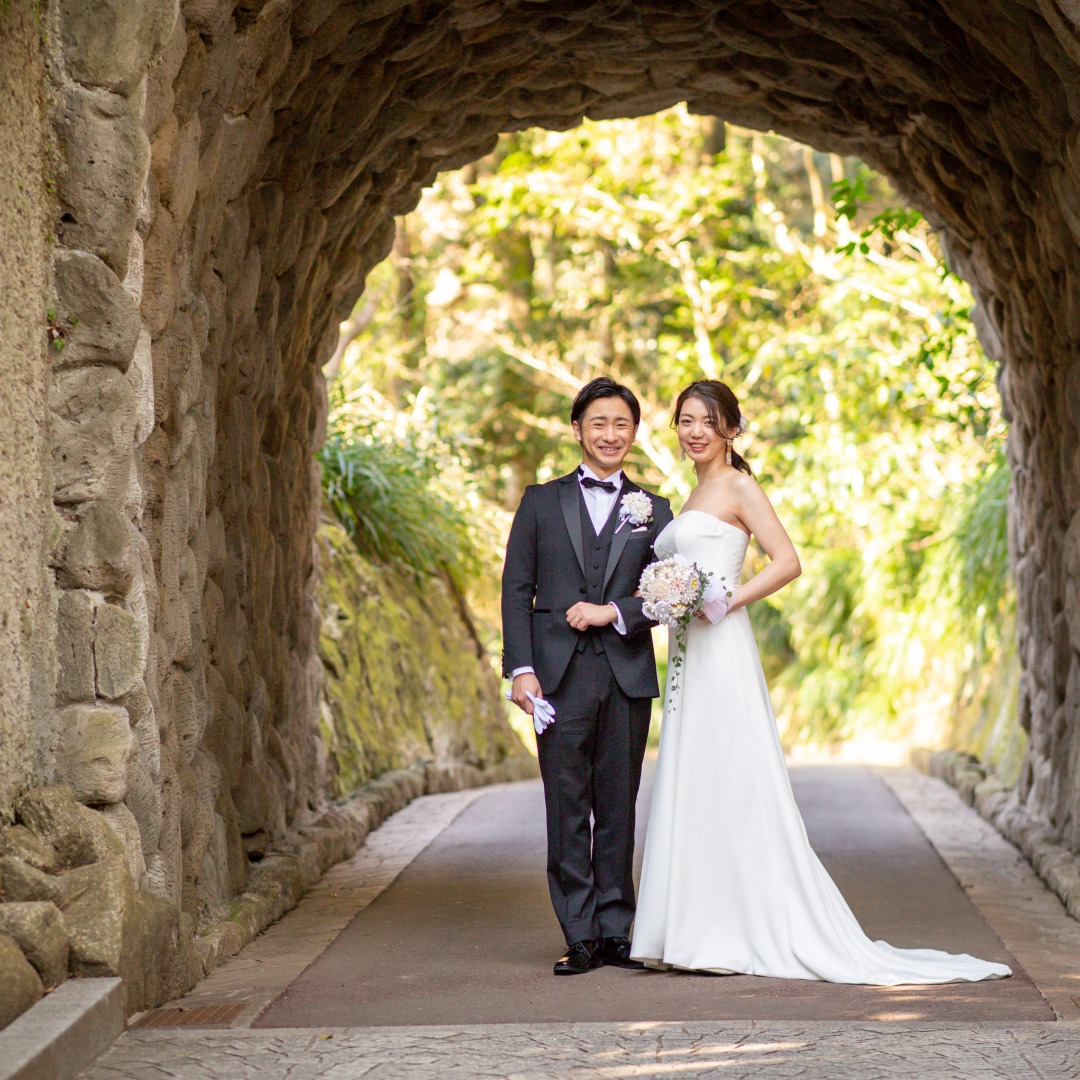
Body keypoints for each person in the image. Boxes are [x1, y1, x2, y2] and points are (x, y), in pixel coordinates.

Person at [630, 379, 1012, 984]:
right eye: (685, 421)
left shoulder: (740, 486)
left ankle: (732, 931)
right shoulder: (693, 492)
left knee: (730, 771)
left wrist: (726, 600)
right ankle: (690, 927)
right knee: (694, 772)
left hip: (722, 646)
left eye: (707, 421)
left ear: (731, 429)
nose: (694, 431)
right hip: (685, 652)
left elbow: (788, 561)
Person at [502, 377, 673, 975]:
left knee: (619, 806)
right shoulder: (539, 502)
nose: (610, 434)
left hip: (626, 677)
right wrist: (522, 670)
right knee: (567, 806)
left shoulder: (655, 510)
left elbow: (666, 594)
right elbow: (517, 590)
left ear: (635, 432)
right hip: (558, 678)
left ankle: (616, 929)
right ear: (577, 429)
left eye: (621, 424)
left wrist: (615, 612)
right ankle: (579, 934)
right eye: (598, 423)